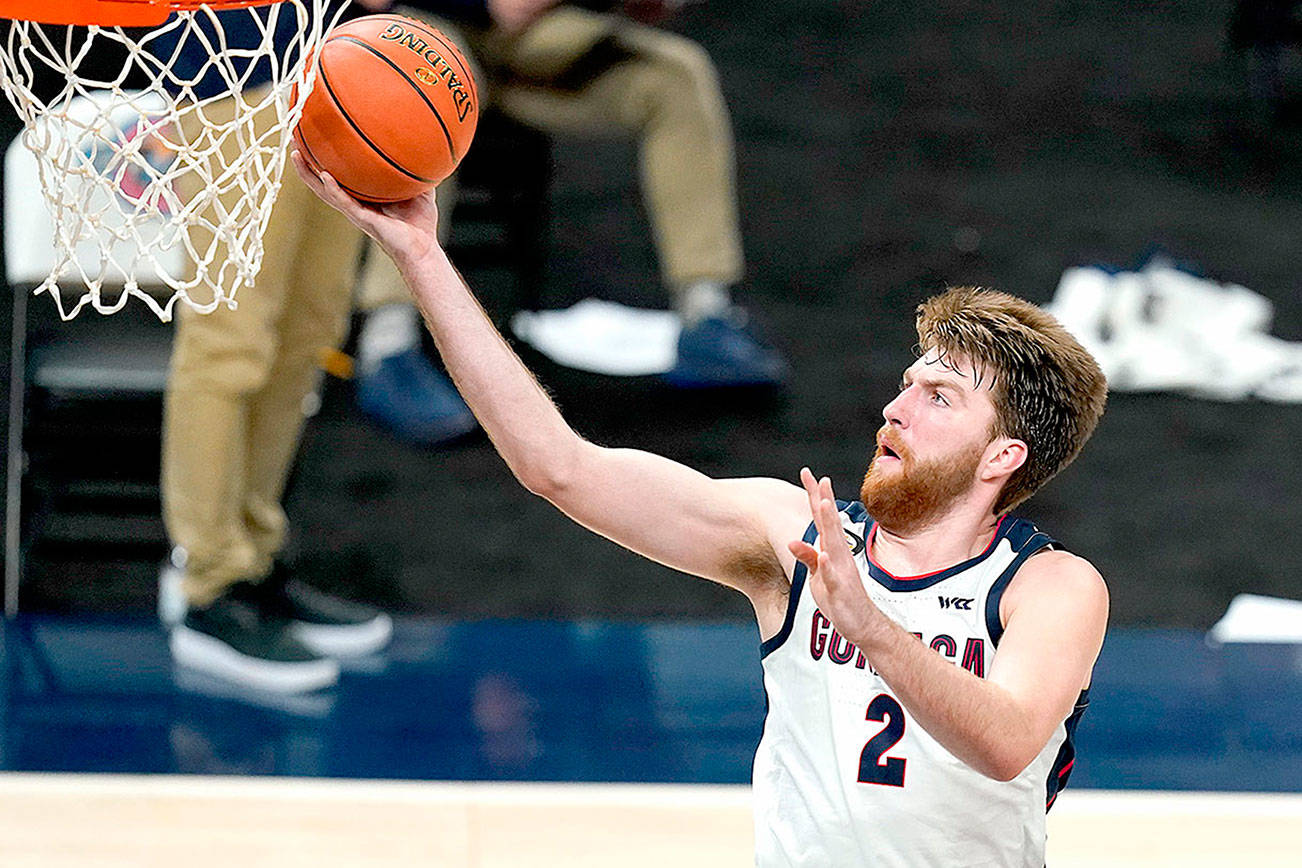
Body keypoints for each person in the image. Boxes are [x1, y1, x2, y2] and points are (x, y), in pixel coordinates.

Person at [295, 152, 1111, 865]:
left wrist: (871, 628)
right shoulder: (793, 539)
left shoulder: (1051, 588)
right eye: (907, 384)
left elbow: (1006, 743)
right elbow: (560, 467)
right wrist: (421, 255)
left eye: (939, 397)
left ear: (1002, 457)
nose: (897, 407)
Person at [156, 0, 553, 694]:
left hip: (336, 66)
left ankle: (254, 558)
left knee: (307, 335)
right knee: (232, 341)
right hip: (231, 66)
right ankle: (207, 585)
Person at [352, 0, 788, 445]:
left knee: (677, 75)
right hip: (431, 23)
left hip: (535, 39)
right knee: (422, 103)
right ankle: (388, 346)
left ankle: (707, 312)